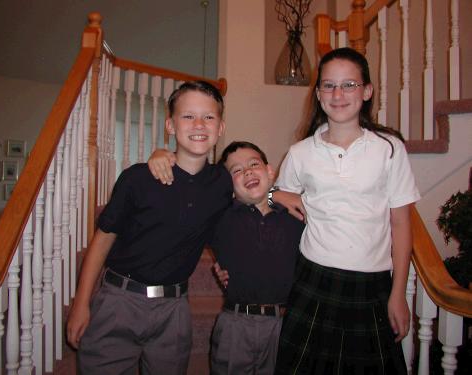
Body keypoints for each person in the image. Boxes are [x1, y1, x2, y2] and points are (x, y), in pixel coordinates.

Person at [66, 80, 233, 375]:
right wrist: (81, 303)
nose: (199, 124)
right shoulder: (137, 179)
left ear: (220, 127)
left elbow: (253, 186)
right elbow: (102, 240)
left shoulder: (222, 183)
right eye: (187, 116)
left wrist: (276, 194)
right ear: (170, 125)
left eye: (209, 117)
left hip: (175, 308)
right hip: (120, 300)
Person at [272, 47, 420, 374]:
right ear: (318, 93)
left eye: (349, 85)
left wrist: (399, 294)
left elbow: (401, 224)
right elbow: (275, 203)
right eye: (328, 85)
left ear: (366, 91)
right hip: (312, 281)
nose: (338, 94)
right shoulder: (300, 153)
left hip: (372, 288)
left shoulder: (389, 150)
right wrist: (272, 195)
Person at [208, 141, 304, 375]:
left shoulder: (295, 216)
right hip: (236, 323)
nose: (248, 171)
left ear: (270, 172)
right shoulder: (222, 217)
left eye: (254, 164)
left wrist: (274, 194)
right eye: (237, 170)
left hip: (285, 324)